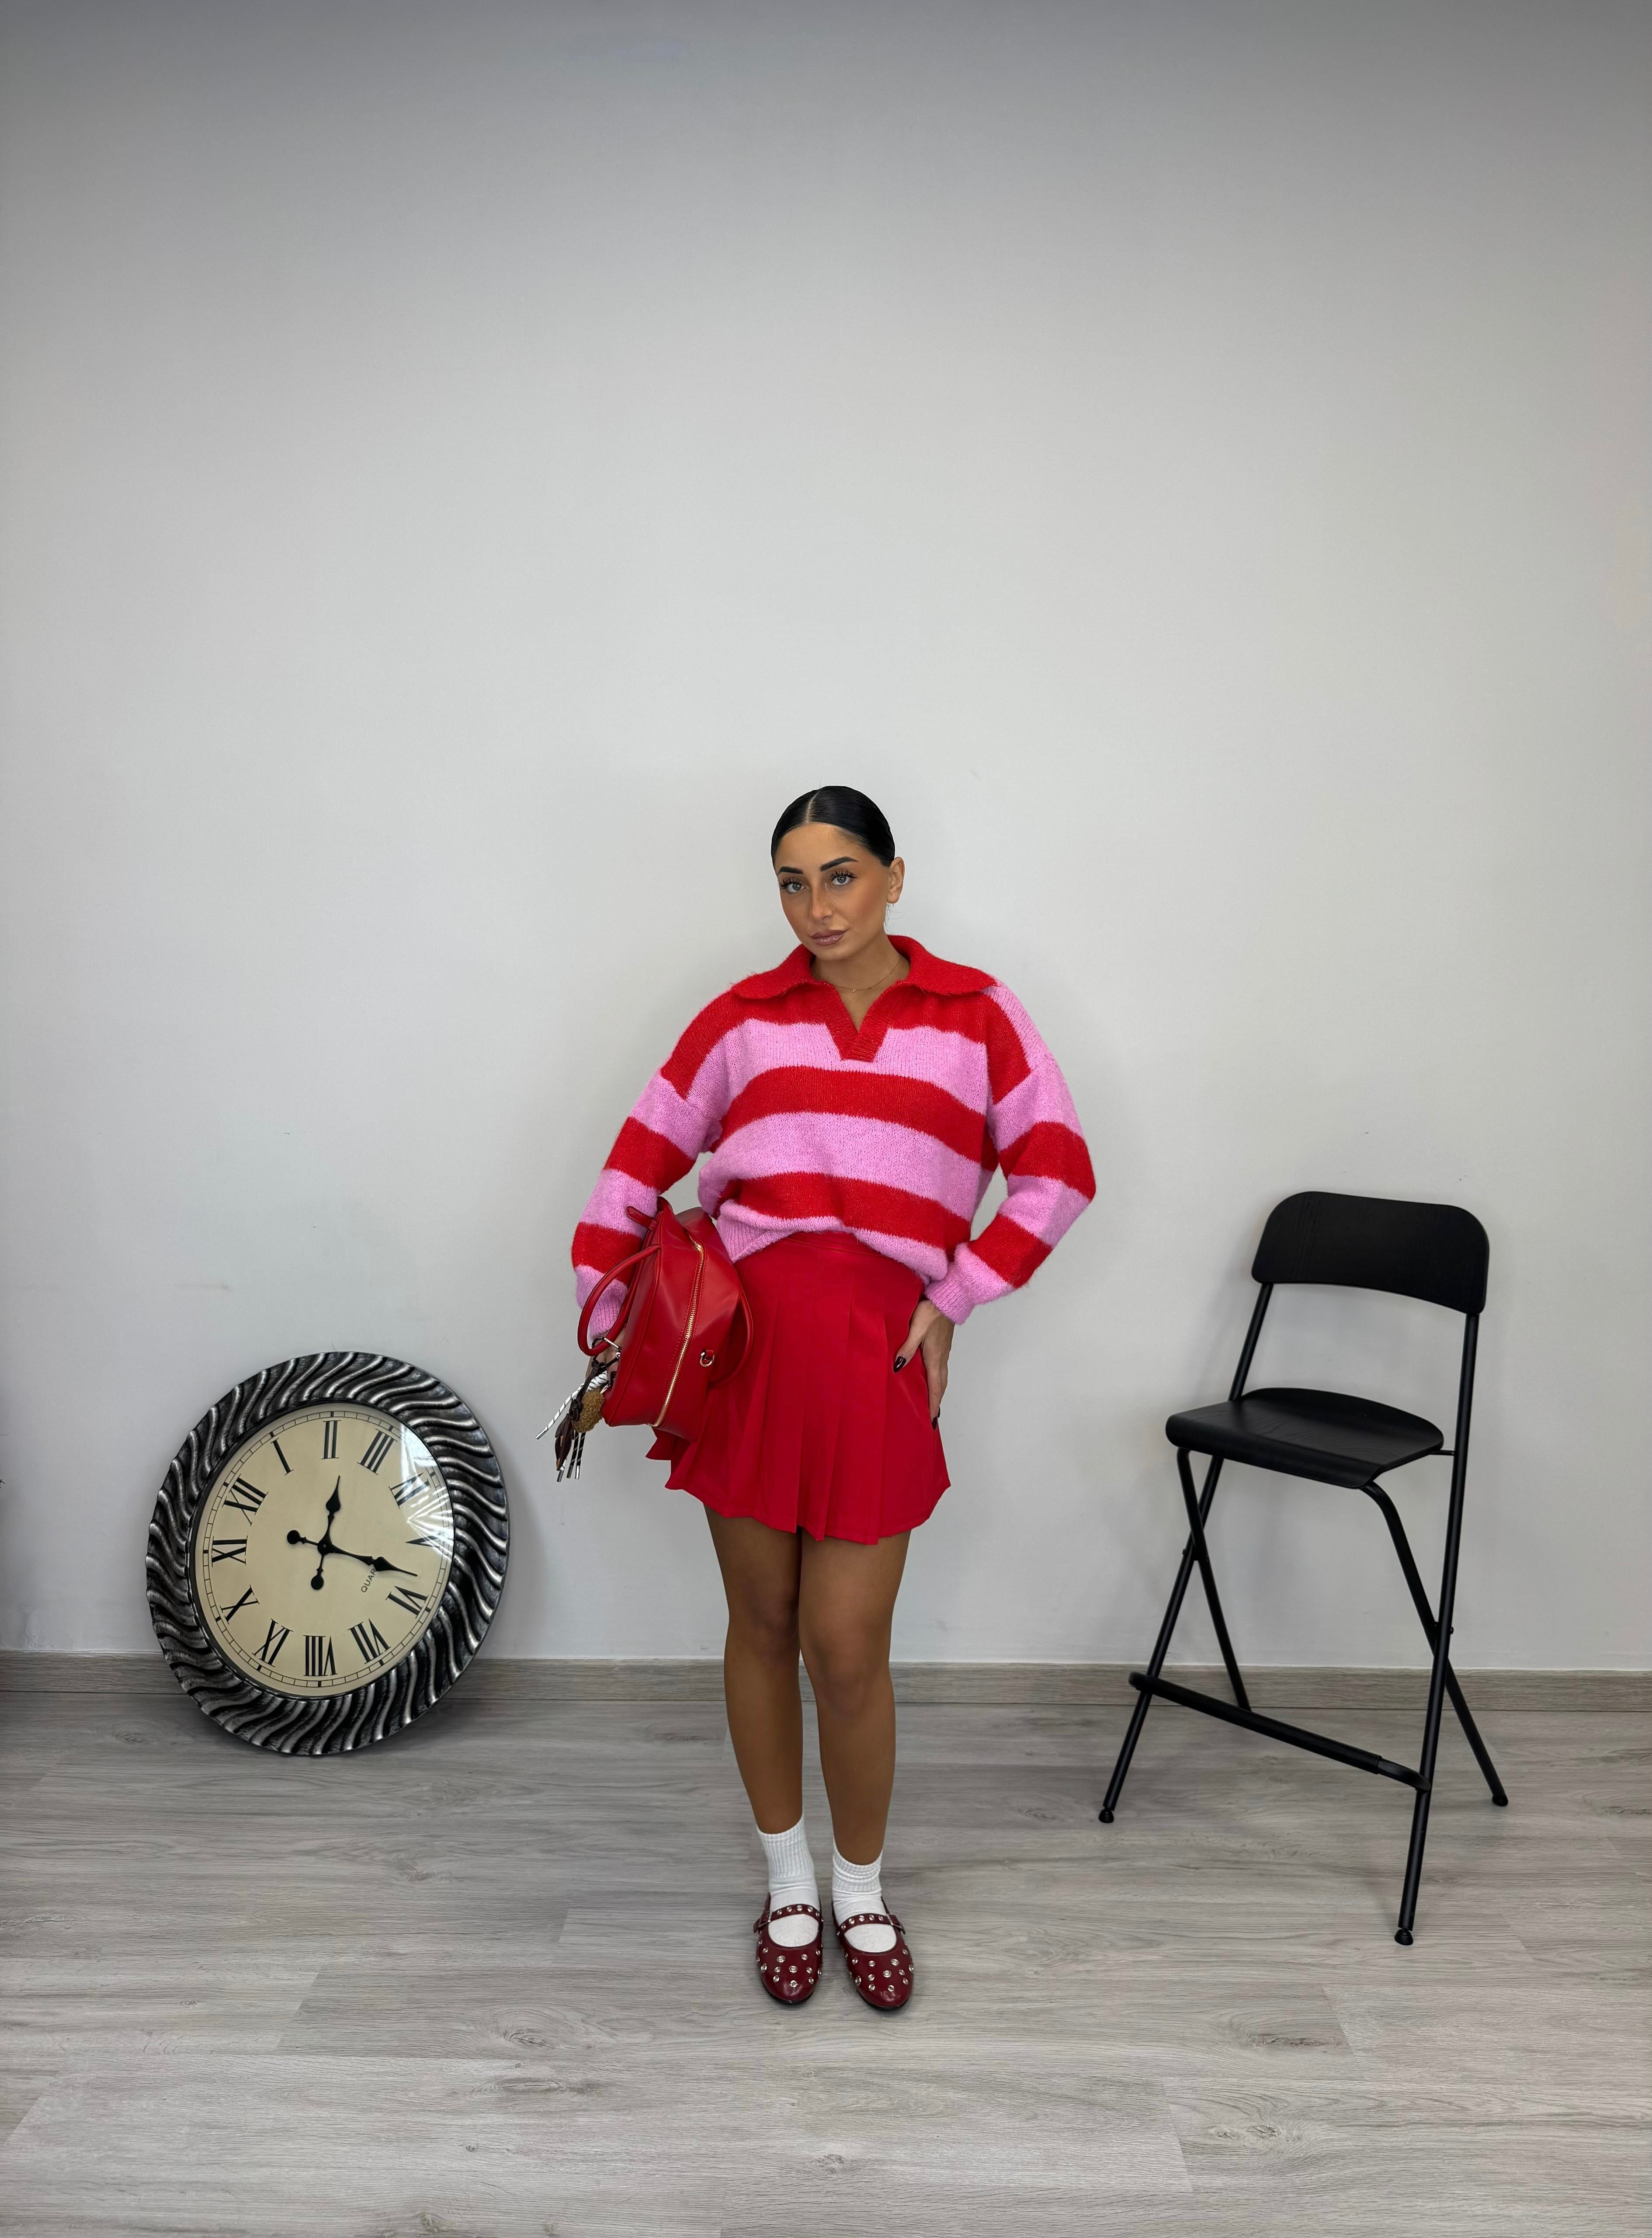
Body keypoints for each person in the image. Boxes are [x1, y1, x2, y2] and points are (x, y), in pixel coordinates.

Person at [571, 785, 1094, 2010]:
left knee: (846, 1648)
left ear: (896, 877)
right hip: (747, 1352)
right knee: (761, 1625)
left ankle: (862, 1889)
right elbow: (635, 1164)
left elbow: (1059, 1171)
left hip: (876, 1356)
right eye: (793, 884)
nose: (818, 907)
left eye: (842, 875)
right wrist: (610, 1317)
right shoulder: (740, 1019)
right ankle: (787, 1883)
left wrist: (956, 1296)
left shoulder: (977, 1015)